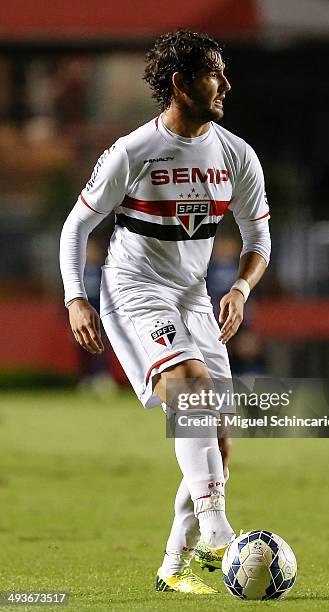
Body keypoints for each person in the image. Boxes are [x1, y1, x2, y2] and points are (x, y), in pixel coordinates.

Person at [59, 30, 271, 595]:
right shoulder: (134, 150)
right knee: (190, 388)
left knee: (218, 437)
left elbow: (258, 239)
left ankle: (176, 566)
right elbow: (77, 225)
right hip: (133, 288)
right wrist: (75, 296)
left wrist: (242, 289)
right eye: (214, 74)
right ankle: (220, 532)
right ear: (180, 83)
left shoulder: (236, 155)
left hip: (194, 296)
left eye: (225, 73)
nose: (226, 84)